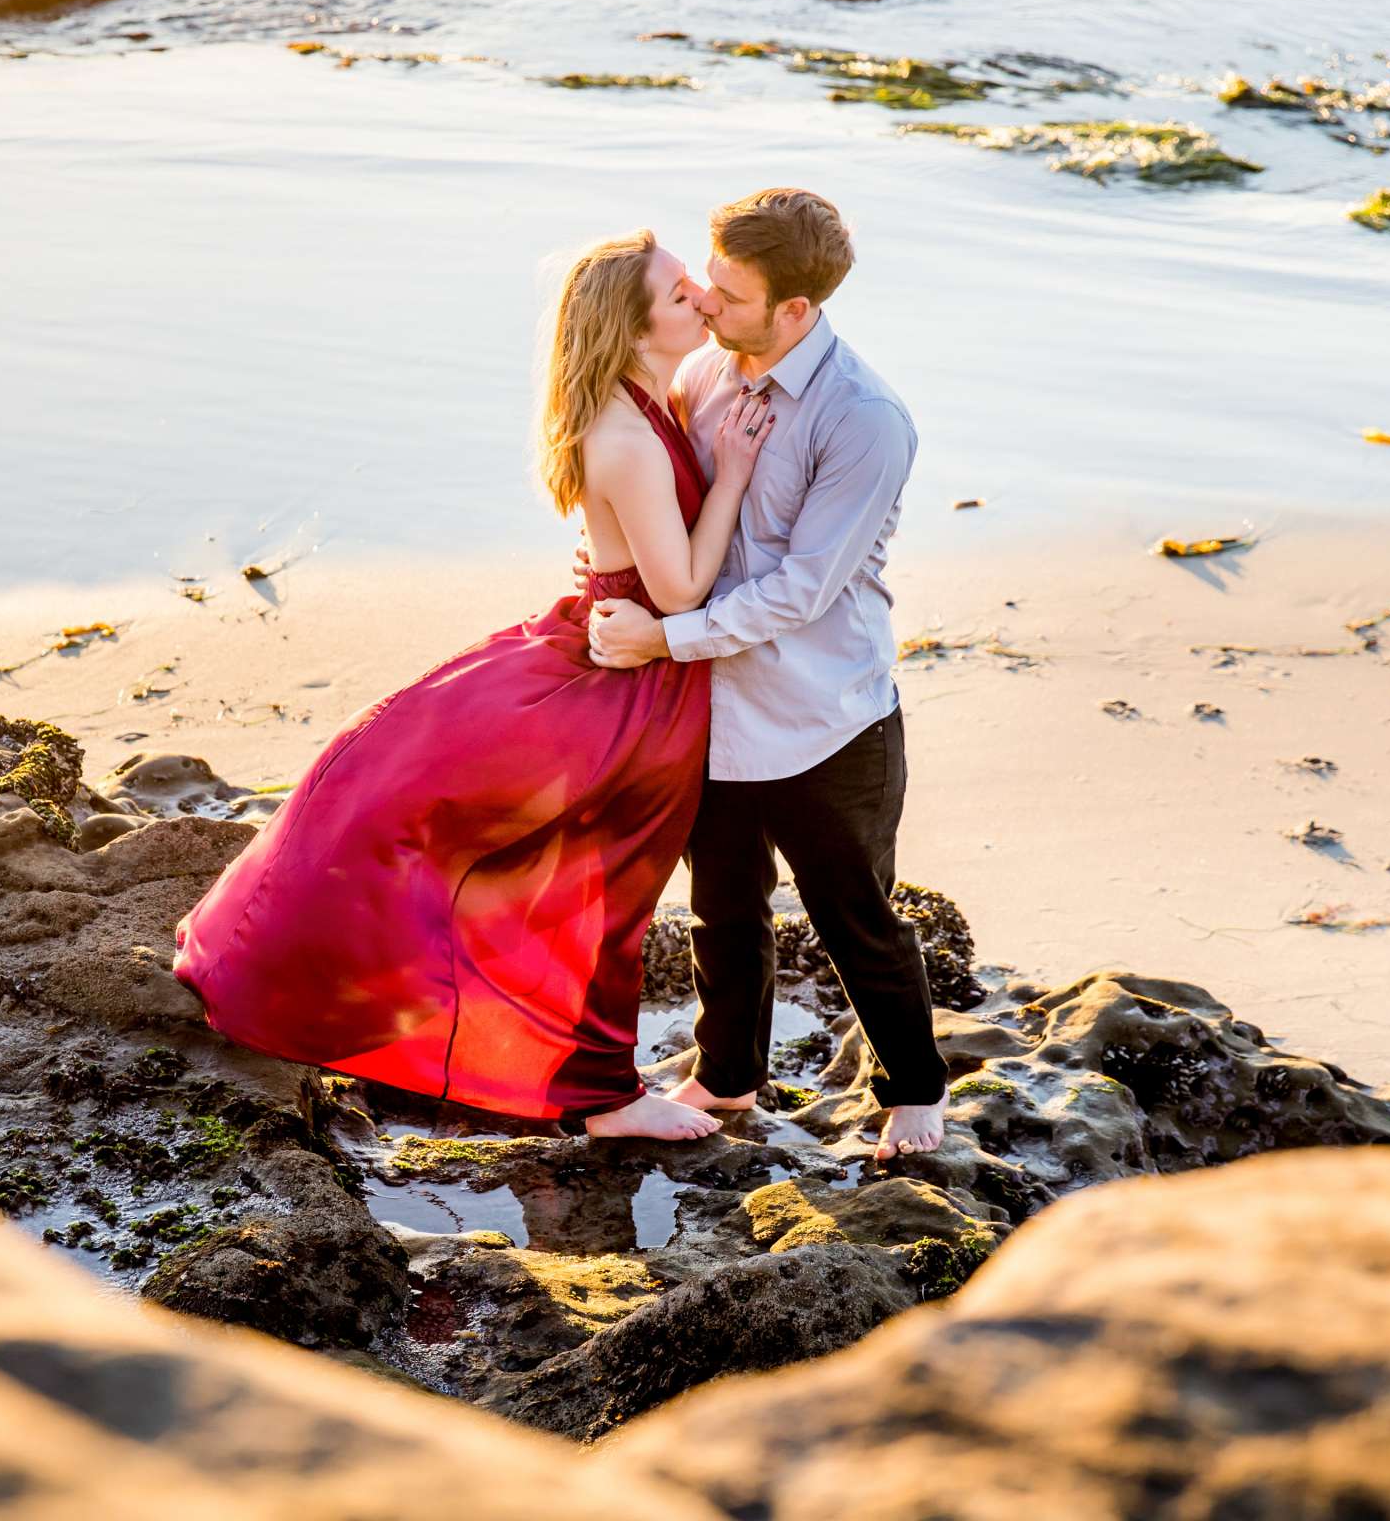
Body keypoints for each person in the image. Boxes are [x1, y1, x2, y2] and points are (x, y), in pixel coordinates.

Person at [174, 229, 775, 1140]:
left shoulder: (652, 397)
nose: (699, 292)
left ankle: (586, 1073)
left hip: (611, 643)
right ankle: (603, 1097)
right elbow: (681, 589)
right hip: (631, 682)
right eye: (677, 288)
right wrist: (733, 476)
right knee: (607, 882)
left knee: (590, 877)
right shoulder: (626, 436)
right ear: (629, 323)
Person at [587, 188, 949, 1160]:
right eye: (707, 275)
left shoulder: (864, 417)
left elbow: (802, 590)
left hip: (824, 713)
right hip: (712, 706)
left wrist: (666, 638)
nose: (705, 299)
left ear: (796, 309)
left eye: (731, 290)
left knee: (854, 914)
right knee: (722, 905)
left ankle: (915, 1089)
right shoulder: (706, 373)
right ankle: (730, 1074)